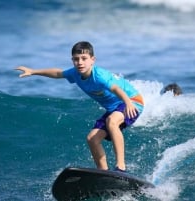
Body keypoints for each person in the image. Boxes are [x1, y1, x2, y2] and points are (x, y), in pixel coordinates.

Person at [16, 41, 144, 172]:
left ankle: (121, 167)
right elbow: (58, 73)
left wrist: (128, 103)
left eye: (84, 58)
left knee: (112, 121)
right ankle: (103, 172)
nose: (80, 62)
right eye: (76, 59)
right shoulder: (75, 74)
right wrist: (33, 71)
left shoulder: (99, 76)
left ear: (92, 60)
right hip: (114, 107)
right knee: (92, 139)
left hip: (132, 101)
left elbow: (116, 88)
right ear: (72, 60)